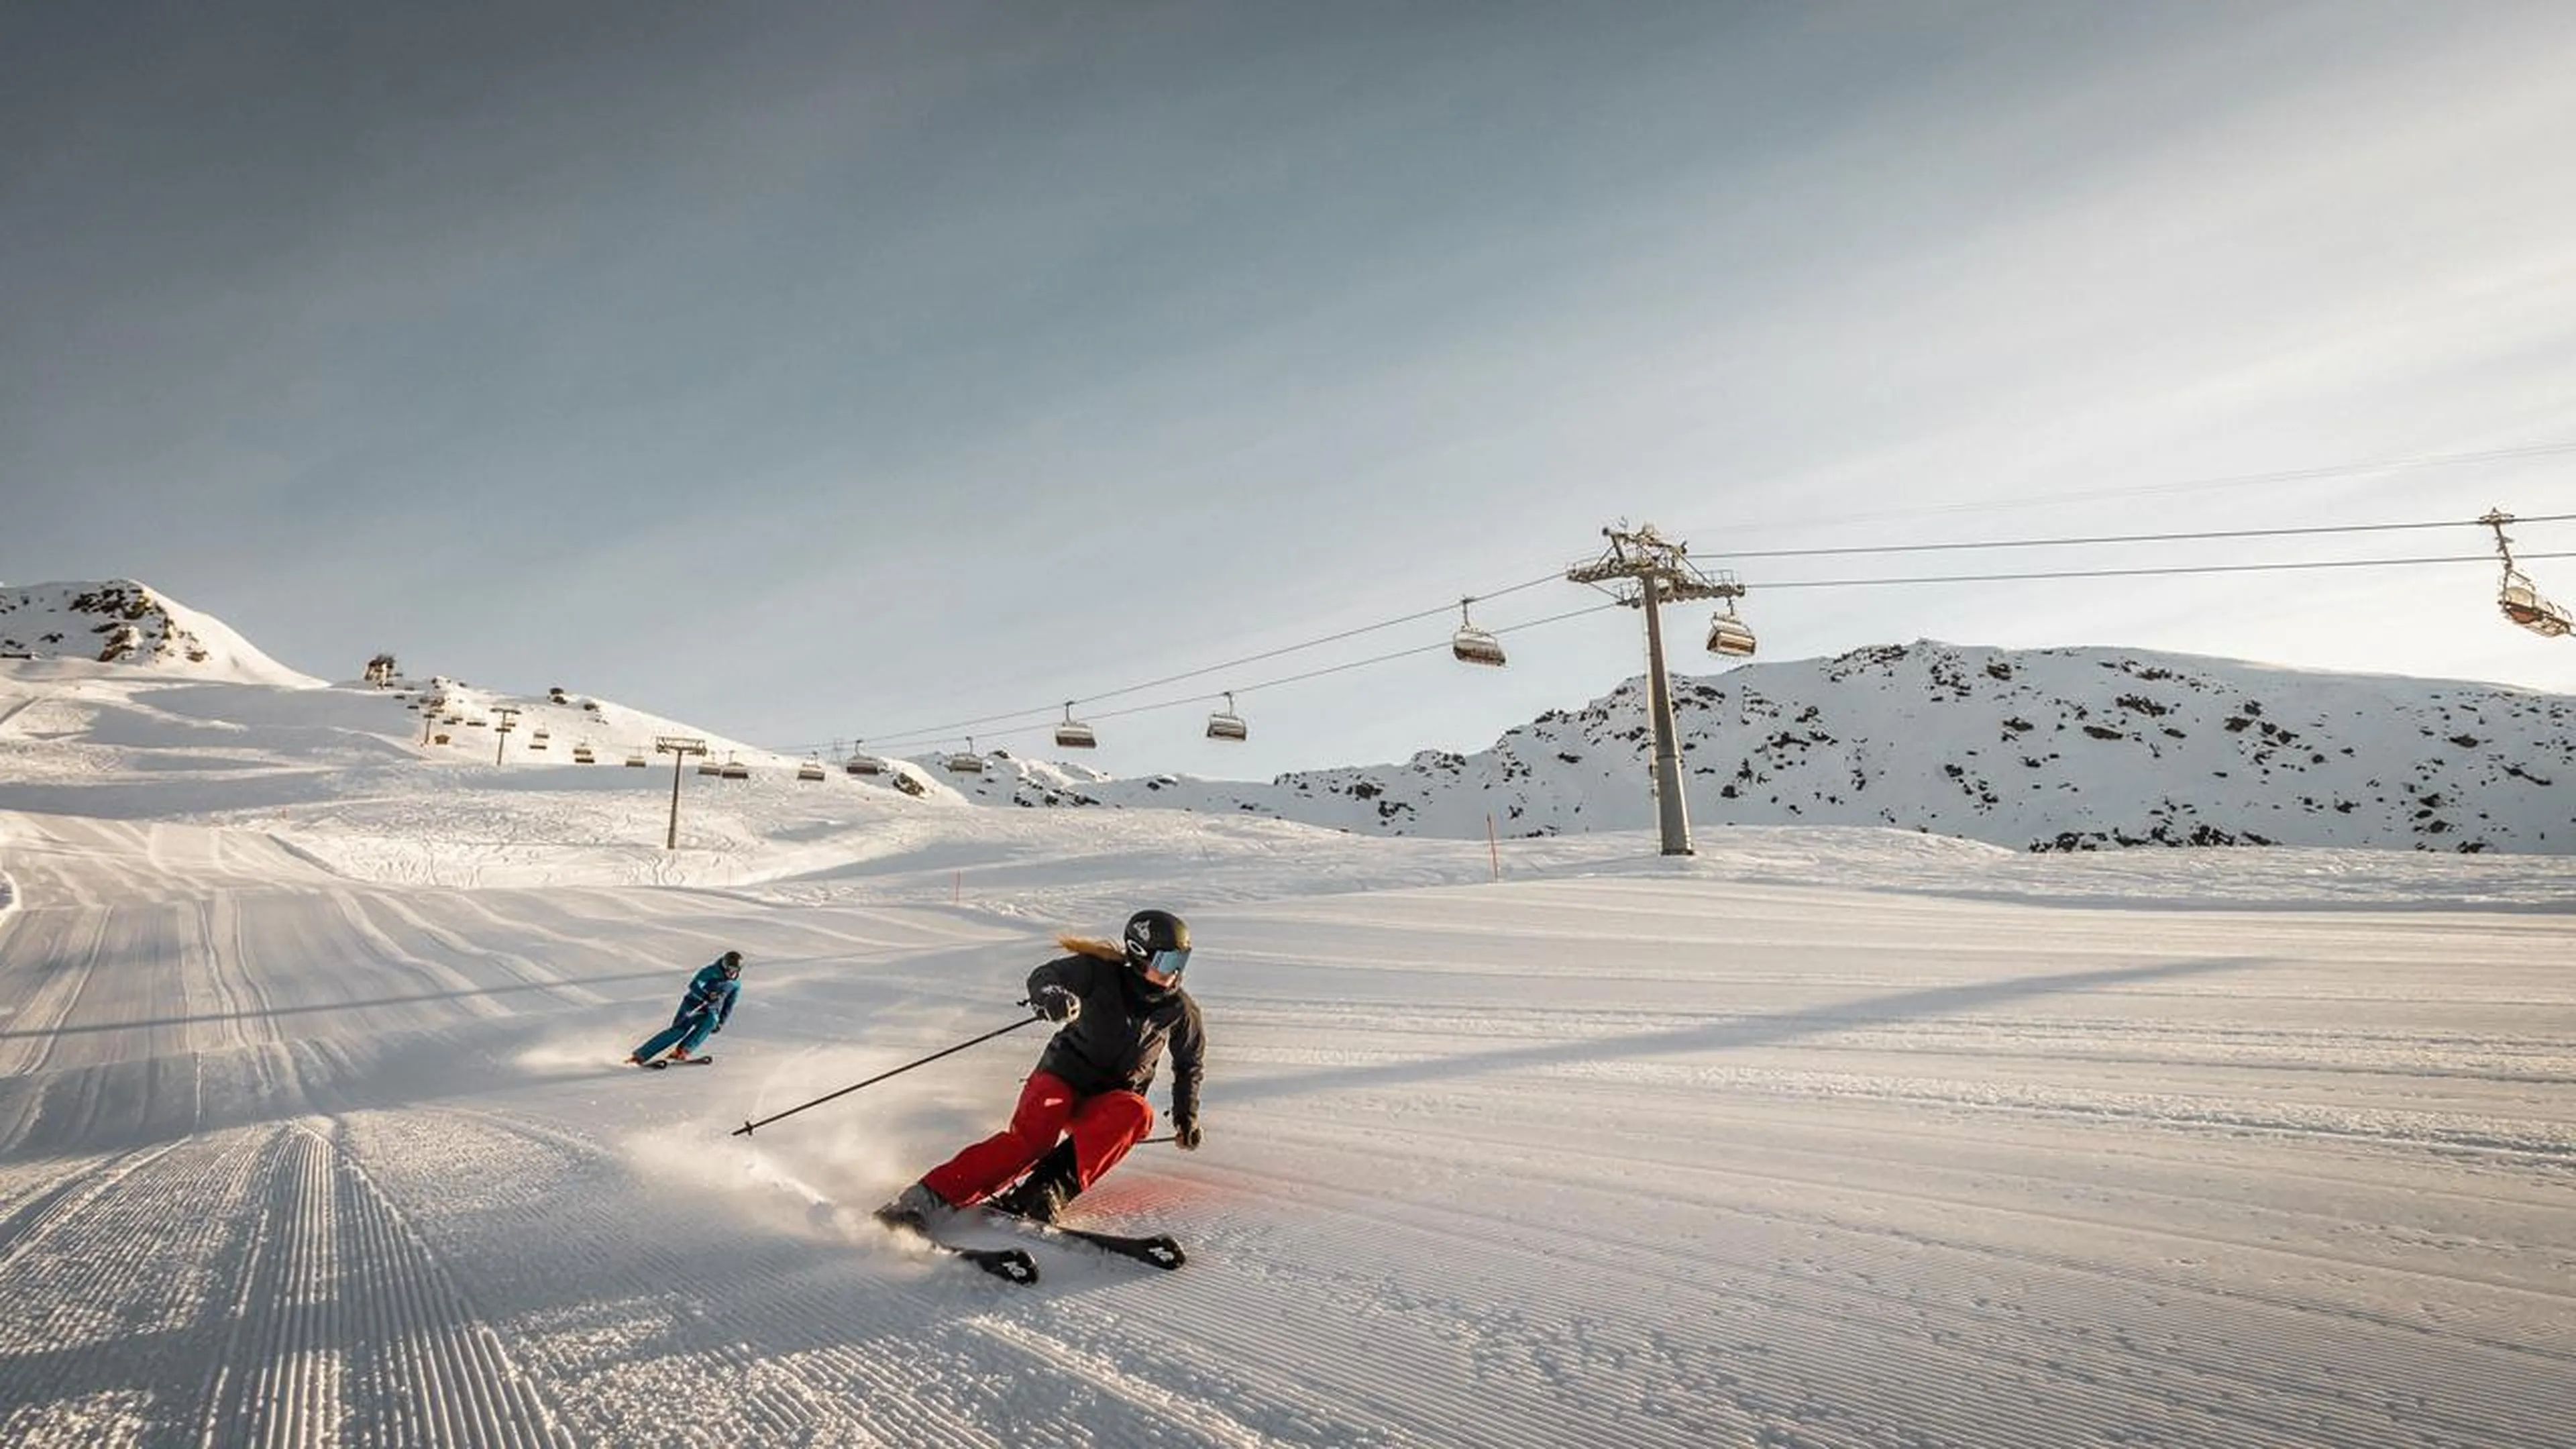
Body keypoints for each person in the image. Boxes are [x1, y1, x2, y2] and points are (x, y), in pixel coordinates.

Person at [877, 909, 1204, 1228]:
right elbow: (1046, 976)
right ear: (1139, 955)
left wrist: (1185, 1115)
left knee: (1137, 1113)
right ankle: (927, 1197)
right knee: (1033, 1142)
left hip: (1107, 1100)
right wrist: (1050, 997)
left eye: (1181, 962)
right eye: (1167, 962)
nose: (1174, 973)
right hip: (1061, 1078)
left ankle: (1042, 1194)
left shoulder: (1179, 1009)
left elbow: (1189, 1063)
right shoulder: (1099, 972)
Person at [627, 949, 743, 1065]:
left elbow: (729, 1004)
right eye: (729, 968)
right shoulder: (710, 971)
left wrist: (721, 1022)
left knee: (713, 1020)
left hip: (711, 1009)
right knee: (679, 1031)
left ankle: (683, 1051)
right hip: (693, 1004)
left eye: (735, 970)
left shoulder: (735, 984)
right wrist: (705, 995)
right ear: (724, 965)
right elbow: (694, 985)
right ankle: (641, 1055)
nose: (731, 973)